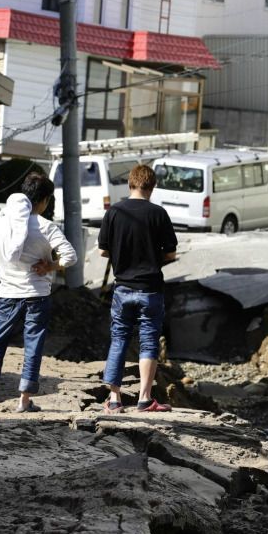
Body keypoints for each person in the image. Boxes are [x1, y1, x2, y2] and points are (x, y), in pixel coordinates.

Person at [0, 173, 77, 413]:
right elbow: (71, 257)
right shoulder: (47, 227)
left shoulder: (0, 223)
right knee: (33, 345)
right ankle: (24, 401)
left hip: (7, 294)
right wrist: (50, 266)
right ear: (45, 200)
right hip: (37, 294)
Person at [97, 164, 177, 413]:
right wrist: (153, 257)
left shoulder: (114, 212)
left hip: (122, 288)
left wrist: (121, 255)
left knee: (119, 337)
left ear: (130, 184)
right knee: (149, 341)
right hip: (150, 288)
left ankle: (114, 399)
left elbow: (103, 250)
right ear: (152, 187)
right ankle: (144, 398)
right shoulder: (158, 213)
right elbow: (171, 253)